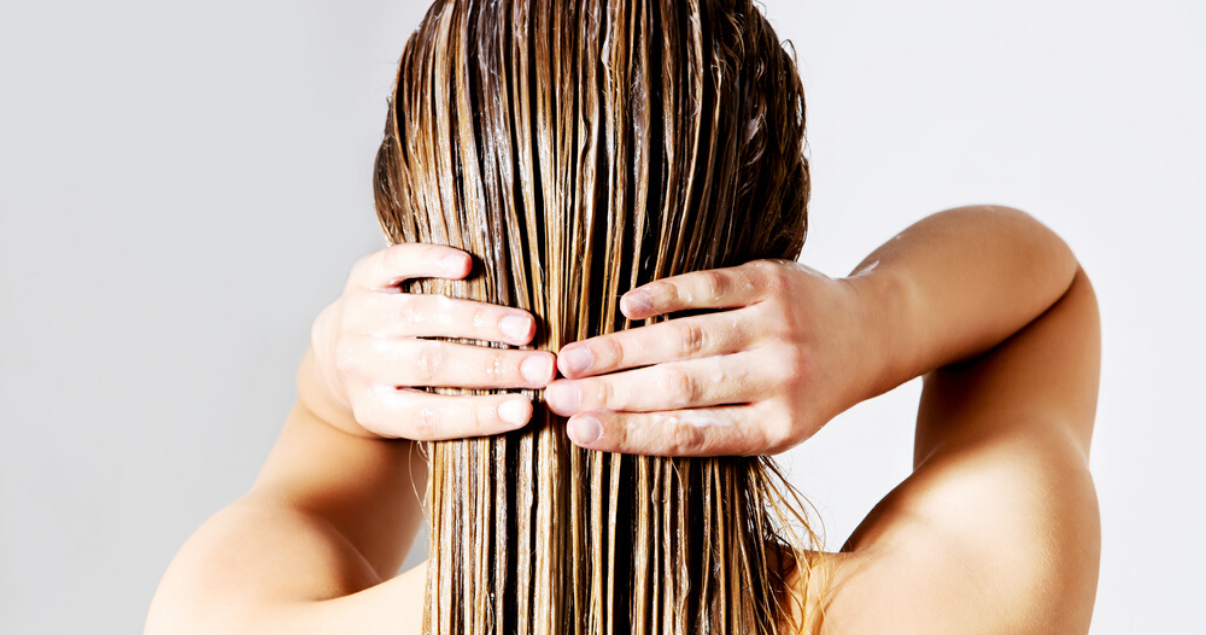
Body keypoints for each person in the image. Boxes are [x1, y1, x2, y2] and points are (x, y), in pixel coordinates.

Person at [145, 1, 1100, 632]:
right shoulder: (956, 605)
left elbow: (314, 470)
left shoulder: (228, 619)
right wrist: (874, 317)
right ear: (770, 263)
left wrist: (334, 374)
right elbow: (1046, 294)